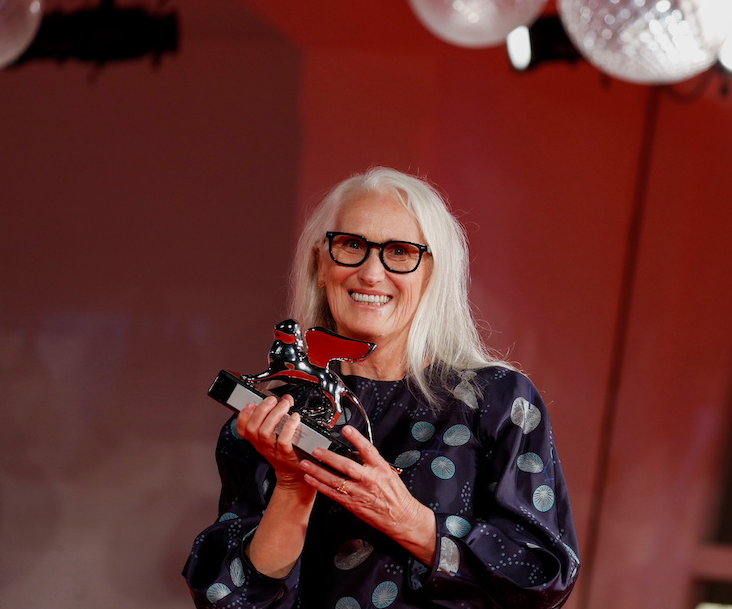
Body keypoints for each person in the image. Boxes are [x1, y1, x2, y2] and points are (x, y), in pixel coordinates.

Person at [182, 167, 579, 608]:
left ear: (432, 274)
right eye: (351, 245)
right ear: (320, 264)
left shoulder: (496, 401)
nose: (372, 273)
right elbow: (231, 600)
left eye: (400, 251)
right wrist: (293, 486)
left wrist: (407, 518)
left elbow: (539, 576)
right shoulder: (274, 416)